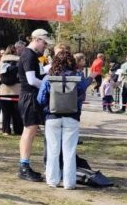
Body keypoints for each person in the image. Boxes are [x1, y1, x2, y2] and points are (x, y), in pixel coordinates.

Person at [37, 49, 91, 189]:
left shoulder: (48, 77)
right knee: (70, 151)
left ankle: (52, 180)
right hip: (72, 117)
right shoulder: (77, 77)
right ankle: (69, 182)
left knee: (53, 150)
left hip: (52, 117)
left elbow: (41, 99)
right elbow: (81, 95)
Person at [17, 29, 51, 181]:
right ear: (37, 39)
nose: (45, 46)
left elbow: (37, 73)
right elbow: (32, 80)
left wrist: (48, 70)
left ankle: (25, 166)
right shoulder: (29, 55)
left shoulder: (32, 55)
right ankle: (24, 167)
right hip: (29, 96)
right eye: (44, 42)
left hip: (31, 96)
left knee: (30, 131)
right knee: (29, 132)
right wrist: (47, 85)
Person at [0, 44, 22, 137]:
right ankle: (18, 130)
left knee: (6, 112)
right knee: (17, 112)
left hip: (4, 90)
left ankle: (6, 130)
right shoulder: (19, 60)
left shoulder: (1, 61)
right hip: (17, 90)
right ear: (15, 51)